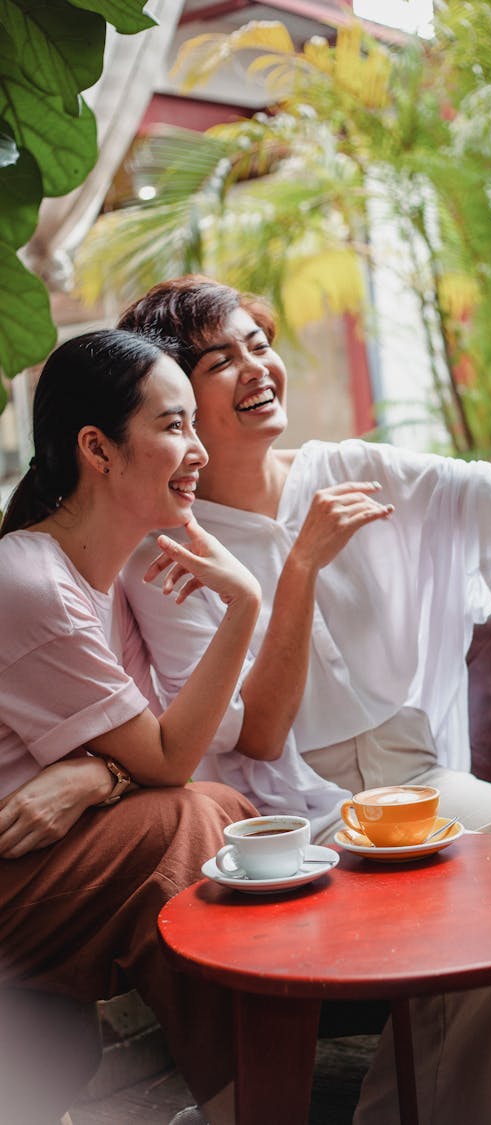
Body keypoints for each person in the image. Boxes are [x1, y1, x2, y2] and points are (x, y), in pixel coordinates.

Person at [113, 275, 491, 1124]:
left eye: (257, 343)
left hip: (411, 786)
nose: (256, 367)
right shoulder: (164, 554)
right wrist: (300, 567)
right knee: (477, 919)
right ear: (175, 397)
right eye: (219, 360)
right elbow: (257, 729)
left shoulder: (350, 466)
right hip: (288, 813)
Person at [0, 329, 264, 1125]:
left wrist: (96, 775)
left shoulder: (106, 585)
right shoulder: (32, 583)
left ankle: (246, 1096)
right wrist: (245, 603)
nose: (198, 451)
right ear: (97, 449)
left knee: (209, 825)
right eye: (174, 425)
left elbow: (146, 757)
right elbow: (170, 758)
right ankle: (248, 1102)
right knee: (191, 819)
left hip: (47, 860)